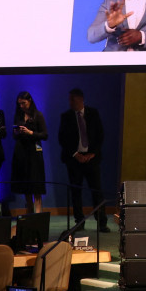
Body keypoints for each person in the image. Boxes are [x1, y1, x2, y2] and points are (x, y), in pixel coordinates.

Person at [58, 88, 109, 232]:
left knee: (96, 190)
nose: (70, 102)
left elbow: (100, 135)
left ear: (80, 99)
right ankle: (79, 221)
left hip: (92, 158)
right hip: (74, 160)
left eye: (72, 99)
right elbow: (62, 138)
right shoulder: (66, 116)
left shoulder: (93, 113)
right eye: (69, 99)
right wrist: (75, 154)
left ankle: (102, 222)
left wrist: (92, 154)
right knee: (76, 192)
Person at [10, 91, 48, 214]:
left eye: (23, 103)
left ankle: (38, 212)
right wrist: (17, 133)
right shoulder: (18, 116)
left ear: (30, 101)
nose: (21, 106)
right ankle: (29, 210)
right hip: (21, 152)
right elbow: (13, 134)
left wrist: (30, 132)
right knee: (25, 184)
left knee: (36, 183)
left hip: (34, 153)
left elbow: (45, 134)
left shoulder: (38, 115)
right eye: (19, 104)